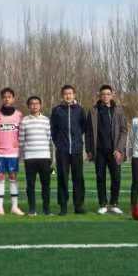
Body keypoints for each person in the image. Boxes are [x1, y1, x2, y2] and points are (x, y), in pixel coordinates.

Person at [85, 84, 128, 215]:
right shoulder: (93, 111)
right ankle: (103, 204)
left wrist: (119, 149)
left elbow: (124, 130)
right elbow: (88, 132)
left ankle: (114, 204)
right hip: (99, 151)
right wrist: (89, 150)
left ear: (112, 95)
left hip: (115, 151)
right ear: (99, 95)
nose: (105, 96)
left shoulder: (118, 110)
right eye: (103, 94)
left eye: (108, 94)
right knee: (100, 177)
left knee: (116, 177)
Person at [50, 85, 88, 216]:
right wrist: (59, 143)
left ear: (74, 95)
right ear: (62, 95)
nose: (68, 96)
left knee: (78, 178)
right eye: (66, 93)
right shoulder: (57, 110)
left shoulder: (80, 110)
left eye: (70, 93)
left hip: (77, 150)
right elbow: (53, 129)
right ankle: (63, 206)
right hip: (62, 151)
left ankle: (78, 205)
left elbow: (83, 127)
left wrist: (77, 140)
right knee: (62, 178)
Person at [0, 88, 24, 216]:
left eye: (9, 97)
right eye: (4, 97)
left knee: (13, 177)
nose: (7, 99)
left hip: (13, 152)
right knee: (0, 177)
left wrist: (19, 142)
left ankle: (14, 207)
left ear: (13, 99)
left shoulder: (19, 114)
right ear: (2, 99)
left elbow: (23, 130)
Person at [19, 96, 52, 216]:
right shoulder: (24, 121)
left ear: (40, 105)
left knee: (46, 185)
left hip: (44, 157)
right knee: (30, 185)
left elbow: (49, 138)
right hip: (30, 158)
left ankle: (46, 210)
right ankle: (32, 210)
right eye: (32, 104)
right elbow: (21, 140)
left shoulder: (46, 120)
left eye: (37, 103)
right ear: (28, 106)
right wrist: (26, 153)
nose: (34, 106)